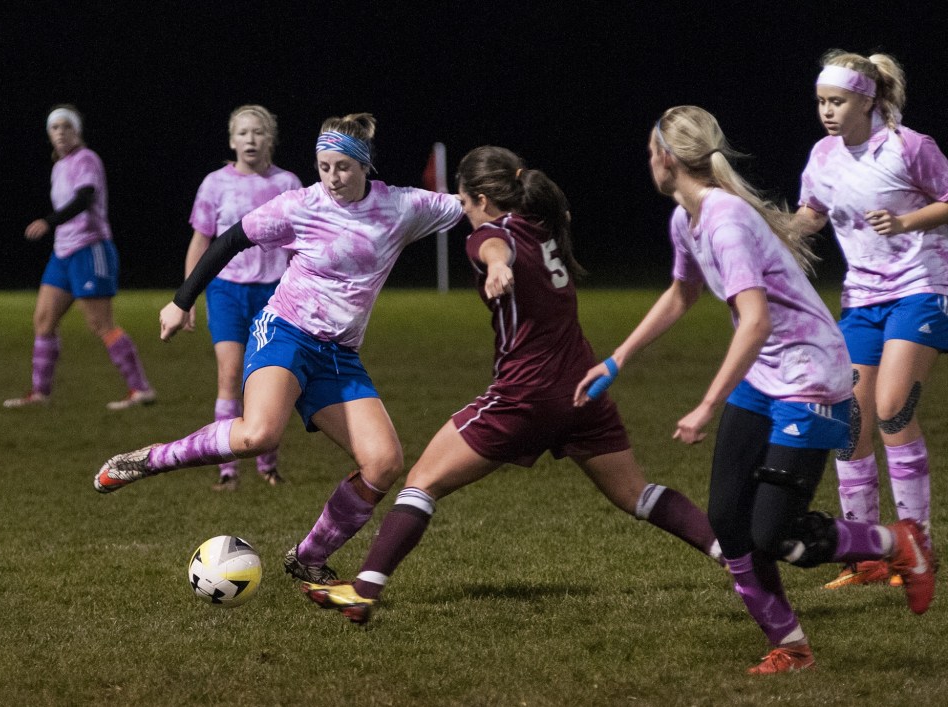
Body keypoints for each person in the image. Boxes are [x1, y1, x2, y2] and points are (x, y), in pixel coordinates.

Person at [573, 106, 934, 674]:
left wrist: (707, 404)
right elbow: (681, 295)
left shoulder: (725, 219)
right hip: (765, 378)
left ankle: (897, 544)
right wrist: (615, 360)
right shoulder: (683, 220)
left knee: (773, 534)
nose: (648, 162)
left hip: (812, 376)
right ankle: (792, 647)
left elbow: (757, 320)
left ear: (668, 157)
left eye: (650, 152)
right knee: (728, 522)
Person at [301, 145, 722, 626]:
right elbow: (526, 232)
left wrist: (498, 265)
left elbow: (492, 247)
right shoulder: (544, 227)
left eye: (463, 202)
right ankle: (733, 555)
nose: (462, 212)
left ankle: (362, 589)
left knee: (421, 482)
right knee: (636, 494)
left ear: (481, 198)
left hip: (524, 395)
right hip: (584, 389)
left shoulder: (489, 236)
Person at [93, 113, 463, 584]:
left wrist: (526, 212)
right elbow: (230, 239)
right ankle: (149, 459)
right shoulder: (300, 204)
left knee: (384, 463)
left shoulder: (402, 207)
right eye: (323, 166)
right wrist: (181, 301)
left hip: (339, 355)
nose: (331, 178)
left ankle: (308, 558)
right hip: (285, 331)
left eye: (342, 167)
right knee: (258, 435)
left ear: (366, 166)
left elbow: (471, 206)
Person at [794, 51, 948, 590]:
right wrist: (776, 228)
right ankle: (866, 556)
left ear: (867, 99)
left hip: (921, 289)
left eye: (836, 102)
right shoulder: (823, 155)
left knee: (892, 409)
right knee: (851, 426)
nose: (827, 112)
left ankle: (916, 549)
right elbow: (812, 212)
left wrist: (906, 220)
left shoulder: (909, 146)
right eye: (821, 102)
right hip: (861, 297)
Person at [5, 105, 155, 411]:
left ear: (77, 131)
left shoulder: (85, 159)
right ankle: (40, 394)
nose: (60, 132)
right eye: (54, 128)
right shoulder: (59, 166)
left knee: (101, 323)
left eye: (66, 126)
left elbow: (85, 197)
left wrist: (49, 221)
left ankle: (141, 390)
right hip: (63, 253)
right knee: (44, 321)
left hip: (90, 249)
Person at [185, 105, 302, 491]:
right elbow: (202, 239)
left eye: (258, 133)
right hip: (226, 290)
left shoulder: (288, 183)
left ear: (271, 139)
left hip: (275, 294)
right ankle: (227, 469)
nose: (251, 140)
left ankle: (268, 466)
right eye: (243, 133)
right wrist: (187, 296)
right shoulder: (215, 184)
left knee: (266, 380)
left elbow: (303, 242)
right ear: (232, 140)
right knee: (230, 375)